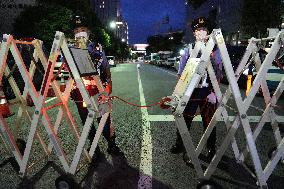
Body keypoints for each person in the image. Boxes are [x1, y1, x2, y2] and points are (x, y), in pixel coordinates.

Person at [70, 15, 122, 159]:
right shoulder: (69, 50)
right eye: (77, 30)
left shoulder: (97, 47)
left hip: (98, 92)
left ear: (88, 31)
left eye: (83, 29)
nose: (80, 32)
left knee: (104, 119)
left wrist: (108, 86)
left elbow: (105, 68)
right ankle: (93, 147)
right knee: (87, 122)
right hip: (79, 93)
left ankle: (111, 144)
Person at [170, 17, 221, 162]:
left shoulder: (215, 50)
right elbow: (181, 73)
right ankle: (180, 143)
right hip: (190, 91)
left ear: (209, 32)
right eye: (198, 30)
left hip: (207, 90)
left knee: (209, 120)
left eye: (204, 29)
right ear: (194, 33)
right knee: (184, 117)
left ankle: (211, 148)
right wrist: (178, 94)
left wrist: (214, 92)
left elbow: (218, 73)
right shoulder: (189, 50)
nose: (201, 32)